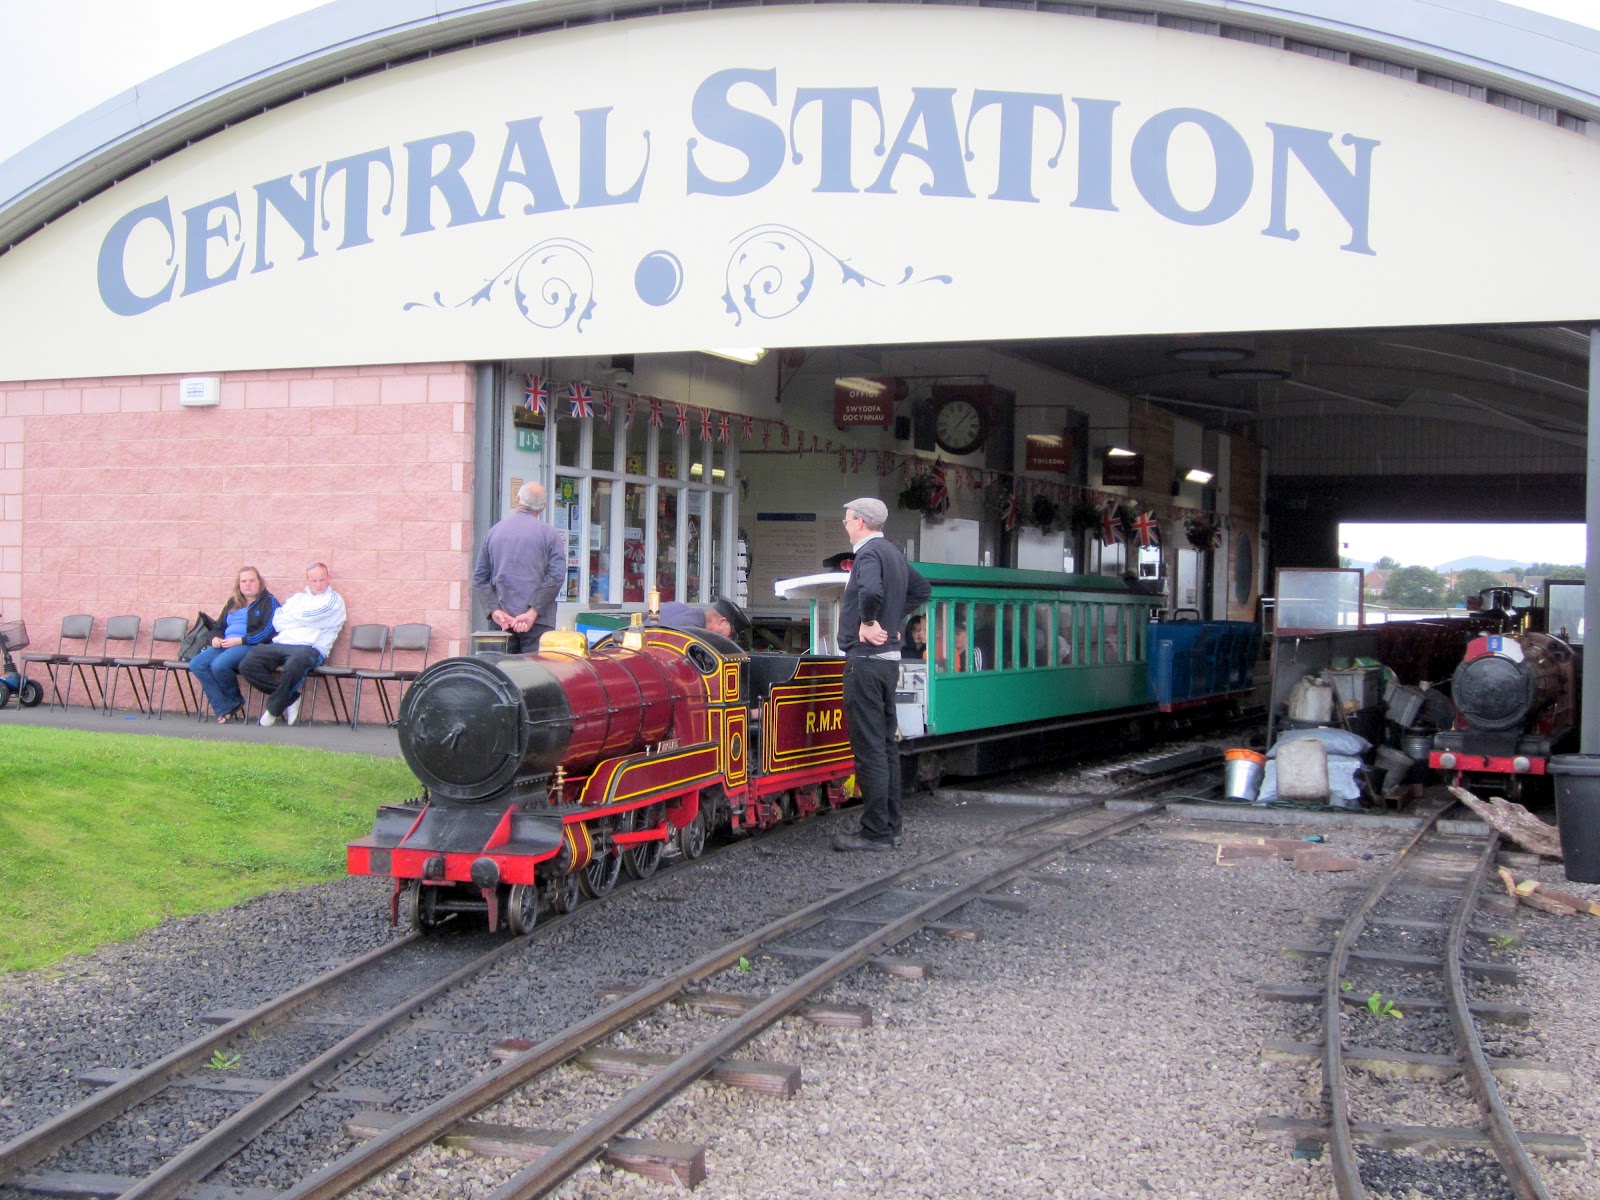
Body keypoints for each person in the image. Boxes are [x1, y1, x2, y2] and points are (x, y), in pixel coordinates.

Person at [833, 497, 929, 853]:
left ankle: (874, 831)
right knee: (887, 746)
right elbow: (921, 590)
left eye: (846, 519)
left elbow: (871, 591)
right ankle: (892, 828)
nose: (845, 525)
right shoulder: (893, 553)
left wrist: (870, 623)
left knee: (869, 748)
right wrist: (894, 622)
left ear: (859, 522)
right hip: (888, 663)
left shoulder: (869, 554)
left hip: (866, 662)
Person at [240, 562, 347, 727]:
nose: (319, 584)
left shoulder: (334, 600)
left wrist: (294, 618)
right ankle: (290, 698)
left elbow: (315, 616)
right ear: (307, 580)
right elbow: (278, 620)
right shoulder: (298, 599)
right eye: (314, 581)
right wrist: (304, 621)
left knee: (294, 665)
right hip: (283, 642)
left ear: (328, 578)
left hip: (311, 648)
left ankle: (274, 709)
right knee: (248, 663)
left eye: (322, 580)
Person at [473, 481, 567, 653]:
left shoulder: (494, 532)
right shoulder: (550, 535)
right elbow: (556, 577)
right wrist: (532, 613)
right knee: (535, 676)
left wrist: (494, 610)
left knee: (503, 676)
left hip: (501, 623)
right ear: (543, 506)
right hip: (538, 624)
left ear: (518, 499)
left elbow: (480, 577)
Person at [189, 566, 279, 722]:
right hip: (226, 644)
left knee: (219, 665)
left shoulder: (269, 602)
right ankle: (225, 706)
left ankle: (233, 701)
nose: (247, 584)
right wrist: (214, 639)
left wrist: (241, 640)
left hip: (250, 645)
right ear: (239, 585)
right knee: (197, 663)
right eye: (243, 581)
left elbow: (268, 630)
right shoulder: (233, 602)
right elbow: (218, 627)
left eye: (251, 580)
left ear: (259, 582)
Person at [657, 596, 753, 642]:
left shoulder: (673, 606)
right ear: (722, 621)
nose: (728, 638)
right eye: (730, 634)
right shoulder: (695, 635)